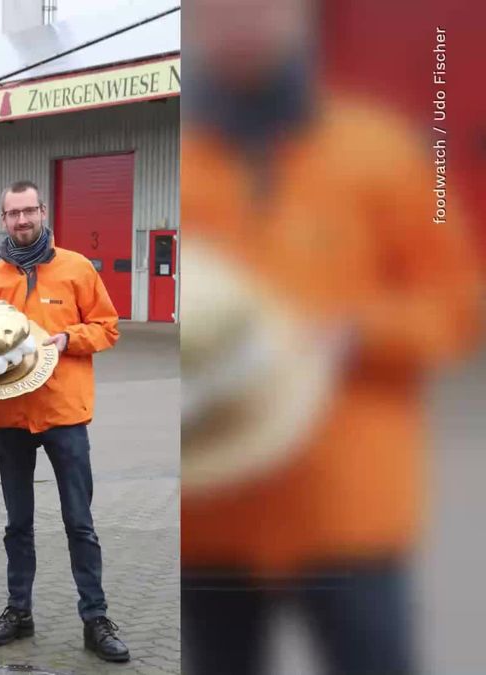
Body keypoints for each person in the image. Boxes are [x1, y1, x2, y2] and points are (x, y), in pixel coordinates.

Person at [181, 0, 482, 673]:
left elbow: (456, 305)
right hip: (212, 518)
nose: (243, 23)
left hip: (349, 516)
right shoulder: (186, 163)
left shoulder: (385, 150)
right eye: (222, 11)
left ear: (301, 18)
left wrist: (357, 333)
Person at [0, 180, 128, 662]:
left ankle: (95, 619)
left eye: (29, 211)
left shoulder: (77, 268)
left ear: (43, 212)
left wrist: (66, 340)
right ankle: (20, 613)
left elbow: (108, 327)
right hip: (11, 418)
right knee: (18, 524)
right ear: (3, 220)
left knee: (79, 523)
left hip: (64, 415)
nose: (22, 221)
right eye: (12, 214)